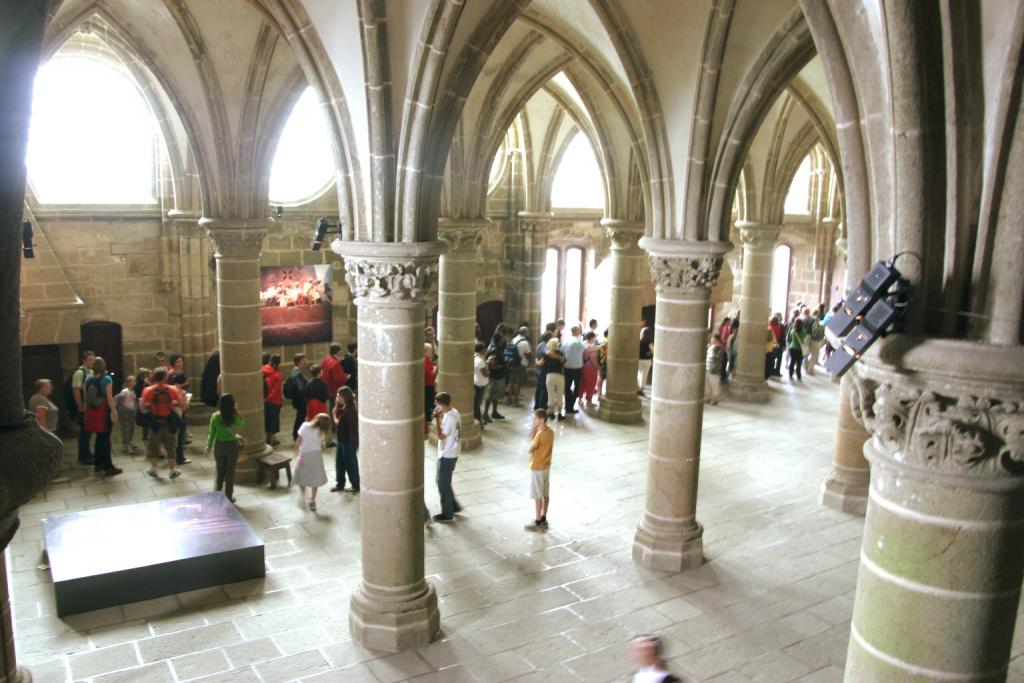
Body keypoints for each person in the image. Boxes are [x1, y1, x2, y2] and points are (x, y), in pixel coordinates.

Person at [84, 357, 122, 477]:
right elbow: (109, 398)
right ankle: (108, 467)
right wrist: (114, 412)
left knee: (99, 438)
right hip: (103, 411)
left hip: (92, 411)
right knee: (105, 439)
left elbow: (85, 397)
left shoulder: (88, 379)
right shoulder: (107, 379)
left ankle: (98, 464)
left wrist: (85, 413)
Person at [204, 393, 245, 503]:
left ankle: (217, 494)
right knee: (230, 473)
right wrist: (236, 411)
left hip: (219, 446)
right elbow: (242, 424)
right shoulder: (234, 417)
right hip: (232, 445)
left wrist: (208, 447)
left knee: (220, 471)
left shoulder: (215, 416)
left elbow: (212, 434)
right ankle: (228, 496)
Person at [142, 369, 181, 479]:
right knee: (171, 447)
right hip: (169, 422)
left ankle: (154, 469)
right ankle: (172, 470)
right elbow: (180, 404)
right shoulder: (172, 390)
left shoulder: (148, 390)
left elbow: (143, 407)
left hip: (155, 423)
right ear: (165, 378)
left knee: (153, 447)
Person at [432, 392, 462, 523]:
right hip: (452, 452)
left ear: (441, 404)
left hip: (447, 454)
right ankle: (453, 506)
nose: (435, 405)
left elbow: (441, 436)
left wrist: (437, 420)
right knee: (444, 480)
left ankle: (447, 513)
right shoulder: (454, 412)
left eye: (436, 403)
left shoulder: (448, 418)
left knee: (442, 483)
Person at [294, 413, 332, 511]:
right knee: (315, 477)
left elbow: (298, 442)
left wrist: (297, 455)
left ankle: (303, 495)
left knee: (301, 475)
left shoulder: (305, 426)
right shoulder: (321, 432)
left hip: (304, 455)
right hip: (316, 456)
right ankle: (312, 500)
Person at [525, 409, 554, 531]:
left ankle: (537, 522)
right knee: (545, 494)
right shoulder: (550, 432)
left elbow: (530, 449)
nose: (533, 421)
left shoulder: (539, 433)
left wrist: (534, 433)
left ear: (542, 420)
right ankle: (543, 518)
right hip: (546, 467)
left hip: (537, 467)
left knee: (538, 496)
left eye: (535, 419)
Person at [331, 386, 360, 493]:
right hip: (342, 440)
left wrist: (333, 415)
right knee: (340, 462)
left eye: (338, 396)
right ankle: (340, 484)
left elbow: (339, 423)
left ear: (344, 397)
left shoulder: (350, 410)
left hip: (349, 441)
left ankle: (356, 485)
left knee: (350, 464)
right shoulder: (345, 407)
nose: (337, 397)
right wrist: (337, 406)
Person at [70, 350, 96, 465]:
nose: (92, 362)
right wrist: (80, 406)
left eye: (93, 360)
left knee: (88, 431)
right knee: (84, 432)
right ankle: (83, 456)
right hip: (83, 407)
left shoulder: (90, 371)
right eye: (89, 360)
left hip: (89, 406)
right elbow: (76, 390)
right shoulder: (79, 373)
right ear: (84, 360)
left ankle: (88, 453)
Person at [540, 338, 566, 421]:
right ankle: (559, 414)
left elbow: (541, 363)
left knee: (550, 394)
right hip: (559, 375)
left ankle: (550, 412)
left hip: (550, 375)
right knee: (560, 394)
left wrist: (536, 361)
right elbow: (563, 362)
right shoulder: (561, 354)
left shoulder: (546, 354)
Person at [504, 326, 531, 407]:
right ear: (526, 333)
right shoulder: (525, 342)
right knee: (518, 383)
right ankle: (515, 401)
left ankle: (509, 399)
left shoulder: (513, 339)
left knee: (511, 381)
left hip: (512, 363)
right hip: (521, 364)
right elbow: (528, 355)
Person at [561, 325, 585, 414]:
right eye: (579, 330)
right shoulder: (577, 342)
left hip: (567, 367)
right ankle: (570, 406)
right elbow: (585, 349)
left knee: (567, 387)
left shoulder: (565, 341)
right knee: (576, 387)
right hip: (576, 368)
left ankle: (567, 405)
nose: (580, 332)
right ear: (576, 331)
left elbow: (562, 352)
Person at [484, 332, 507, 420]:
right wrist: (503, 365)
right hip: (494, 376)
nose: (503, 339)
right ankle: (485, 413)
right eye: (502, 338)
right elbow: (492, 365)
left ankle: (494, 412)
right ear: (499, 339)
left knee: (496, 395)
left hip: (499, 375)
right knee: (489, 395)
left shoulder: (498, 348)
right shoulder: (494, 349)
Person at [286, 353, 310, 441]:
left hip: (297, 399)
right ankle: (297, 435)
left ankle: (296, 433)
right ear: (299, 362)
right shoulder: (297, 373)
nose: (306, 361)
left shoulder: (295, 371)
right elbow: (301, 388)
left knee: (300, 416)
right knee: (301, 417)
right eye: (304, 360)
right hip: (300, 399)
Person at [170, 373, 193, 465]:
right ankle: (180, 458)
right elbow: (184, 406)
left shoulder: (170, 389)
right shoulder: (181, 392)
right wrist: (188, 398)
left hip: (170, 415)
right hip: (178, 416)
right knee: (180, 438)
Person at [115, 374, 139, 454]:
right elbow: (121, 404)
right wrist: (129, 409)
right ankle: (126, 445)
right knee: (126, 429)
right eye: (132, 381)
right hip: (125, 413)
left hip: (131, 412)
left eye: (134, 381)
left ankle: (129, 441)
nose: (134, 383)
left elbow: (135, 401)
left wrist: (135, 408)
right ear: (128, 382)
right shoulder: (124, 391)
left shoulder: (133, 391)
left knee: (131, 428)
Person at [262, 354, 283, 446]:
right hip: (274, 400)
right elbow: (276, 389)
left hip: (264, 399)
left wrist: (265, 398)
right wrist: (270, 398)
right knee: (274, 420)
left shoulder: (263, 369)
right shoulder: (277, 374)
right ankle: (273, 439)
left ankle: (266, 438)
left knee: (267, 419)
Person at [533, 329, 554, 411]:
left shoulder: (540, 344)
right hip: (543, 369)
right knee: (543, 388)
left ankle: (537, 405)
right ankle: (542, 406)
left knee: (539, 388)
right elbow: (547, 353)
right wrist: (559, 357)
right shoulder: (545, 345)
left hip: (539, 369)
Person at [580, 332, 601, 407]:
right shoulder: (588, 346)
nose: (595, 338)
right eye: (594, 336)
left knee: (583, 383)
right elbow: (592, 358)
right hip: (590, 367)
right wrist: (598, 367)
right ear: (591, 337)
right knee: (591, 383)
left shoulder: (583, 344)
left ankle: (580, 398)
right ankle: (588, 400)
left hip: (583, 366)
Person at [472, 342, 490, 429]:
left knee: (477, 403)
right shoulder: (479, 360)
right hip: (480, 383)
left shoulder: (475, 357)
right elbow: (485, 374)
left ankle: (478, 420)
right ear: (482, 349)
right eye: (484, 349)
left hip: (476, 382)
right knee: (477, 404)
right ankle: (478, 421)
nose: (485, 350)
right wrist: (489, 367)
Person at [705, 336, 725, 405]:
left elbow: (716, 359)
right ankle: (707, 397)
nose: (711, 339)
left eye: (712, 338)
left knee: (715, 385)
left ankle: (715, 399)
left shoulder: (719, 348)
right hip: (707, 368)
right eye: (711, 338)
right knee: (707, 384)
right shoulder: (710, 346)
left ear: (717, 340)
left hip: (714, 370)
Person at [805, 307, 826, 375]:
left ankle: (805, 366)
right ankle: (810, 369)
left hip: (805, 338)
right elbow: (816, 330)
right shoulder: (815, 320)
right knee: (814, 354)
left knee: (806, 353)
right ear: (818, 314)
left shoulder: (806, 319)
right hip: (813, 339)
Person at [134, 368, 152, 442]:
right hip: (143, 402)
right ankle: (146, 437)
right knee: (146, 421)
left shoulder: (143, 383)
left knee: (146, 422)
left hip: (143, 402)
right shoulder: (140, 384)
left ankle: (146, 436)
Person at [424, 342, 438, 436]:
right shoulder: (424, 360)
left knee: (431, 402)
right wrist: (435, 369)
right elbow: (428, 374)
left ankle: (429, 419)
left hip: (430, 384)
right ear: (424, 351)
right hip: (426, 385)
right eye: (429, 350)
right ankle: (428, 421)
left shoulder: (428, 360)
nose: (431, 352)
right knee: (428, 403)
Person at [638, 327, 654, 395]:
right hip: (647, 360)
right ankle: (641, 389)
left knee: (638, 374)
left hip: (639, 360)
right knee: (644, 375)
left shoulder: (639, 341)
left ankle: (637, 387)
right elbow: (653, 351)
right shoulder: (650, 342)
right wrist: (649, 353)